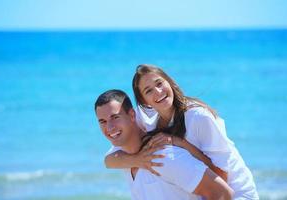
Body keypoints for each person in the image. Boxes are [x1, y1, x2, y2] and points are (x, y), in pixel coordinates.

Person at [105, 64, 259, 199]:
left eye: (159, 83)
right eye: (149, 91)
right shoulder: (145, 118)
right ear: (144, 101)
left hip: (237, 194)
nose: (158, 92)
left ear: (170, 82)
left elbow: (222, 178)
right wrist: (139, 160)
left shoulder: (198, 117)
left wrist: (180, 143)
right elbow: (110, 160)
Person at [95, 89, 233, 200]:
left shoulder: (164, 156)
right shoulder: (126, 157)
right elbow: (108, 161)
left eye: (115, 117)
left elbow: (221, 193)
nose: (110, 127)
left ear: (132, 115)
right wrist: (136, 160)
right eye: (102, 121)